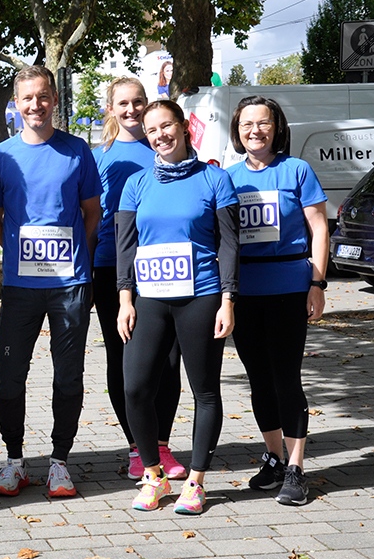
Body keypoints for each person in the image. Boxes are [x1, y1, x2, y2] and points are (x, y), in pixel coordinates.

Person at [0, 65, 102, 499]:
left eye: (43, 96)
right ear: (16, 103)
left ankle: (59, 462)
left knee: (68, 376)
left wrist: (73, 258)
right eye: (27, 98)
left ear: (54, 99)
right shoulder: (2, 156)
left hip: (70, 285)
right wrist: (18, 251)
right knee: (10, 374)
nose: (36, 105)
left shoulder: (77, 150)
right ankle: (14, 461)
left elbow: (92, 214)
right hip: (20, 288)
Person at [117, 99, 240, 516]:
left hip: (202, 295)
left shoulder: (214, 178)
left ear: (183, 127)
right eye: (151, 131)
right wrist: (124, 299)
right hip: (150, 298)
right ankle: (154, 475)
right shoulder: (136, 183)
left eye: (166, 126)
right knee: (135, 387)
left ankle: (197, 481)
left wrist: (227, 298)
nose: (159, 136)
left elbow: (228, 242)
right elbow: (125, 246)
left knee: (204, 390)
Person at [225, 96, 328, 506]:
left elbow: (319, 228)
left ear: (276, 127)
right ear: (237, 131)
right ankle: (273, 457)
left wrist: (318, 283)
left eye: (263, 123)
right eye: (247, 124)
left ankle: (298, 467)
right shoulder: (228, 178)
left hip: (288, 286)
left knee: (286, 377)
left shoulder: (297, 170)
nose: (255, 130)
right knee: (258, 379)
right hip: (245, 290)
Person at [92, 77, 185, 481]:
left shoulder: (168, 149)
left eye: (138, 102)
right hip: (111, 268)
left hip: (168, 270)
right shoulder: (98, 157)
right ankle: (137, 447)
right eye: (123, 103)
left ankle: (161, 445)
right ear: (110, 109)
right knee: (124, 359)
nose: (131, 109)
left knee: (169, 361)